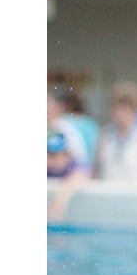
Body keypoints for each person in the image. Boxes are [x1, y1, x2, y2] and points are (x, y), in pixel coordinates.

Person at [94, 82, 137, 184]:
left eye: (123, 108)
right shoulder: (105, 134)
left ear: (134, 110)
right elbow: (96, 170)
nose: (117, 112)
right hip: (108, 191)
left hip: (136, 192)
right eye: (114, 107)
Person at [47, 86, 92, 221]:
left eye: (48, 111)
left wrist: (62, 197)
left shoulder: (67, 130)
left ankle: (59, 203)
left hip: (66, 176)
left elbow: (82, 165)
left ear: (57, 110)